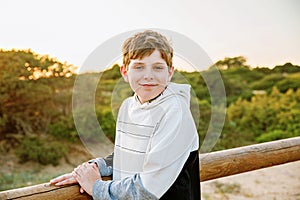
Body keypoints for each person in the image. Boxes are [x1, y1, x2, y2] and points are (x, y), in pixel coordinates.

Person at [50, 30, 200, 199]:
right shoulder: (128, 106)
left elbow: (147, 190)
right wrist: (93, 169)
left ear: (170, 72)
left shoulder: (175, 113)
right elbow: (129, 156)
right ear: (125, 72)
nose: (148, 76)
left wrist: (96, 187)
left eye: (158, 67)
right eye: (138, 67)